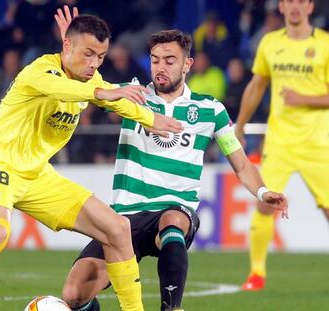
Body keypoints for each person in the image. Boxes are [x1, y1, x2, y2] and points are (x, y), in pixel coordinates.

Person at [0, 13, 184, 311]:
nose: (94, 63)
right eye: (88, 54)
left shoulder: (88, 77)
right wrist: (102, 90)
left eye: (101, 56)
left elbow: (113, 100)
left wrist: (150, 119)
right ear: (66, 46)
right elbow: (64, 89)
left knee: (118, 229)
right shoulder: (39, 71)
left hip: (38, 176)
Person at [55, 10, 288, 311]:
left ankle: (171, 308)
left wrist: (263, 192)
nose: (160, 68)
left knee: (173, 221)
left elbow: (241, 164)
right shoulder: (132, 95)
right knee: (74, 294)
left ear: (187, 64)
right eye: (154, 60)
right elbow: (83, 84)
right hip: (124, 218)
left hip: (173, 208)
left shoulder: (210, 110)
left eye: (169, 60)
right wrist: (68, 47)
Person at [235, 0, 329, 291]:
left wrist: (303, 99)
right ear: (282, 8)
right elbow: (256, 85)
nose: (295, 6)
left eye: (302, 1)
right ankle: (257, 274)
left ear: (311, 7)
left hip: (319, 143)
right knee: (265, 202)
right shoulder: (270, 42)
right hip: (279, 142)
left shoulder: (325, 44)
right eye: (289, 1)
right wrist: (239, 126)